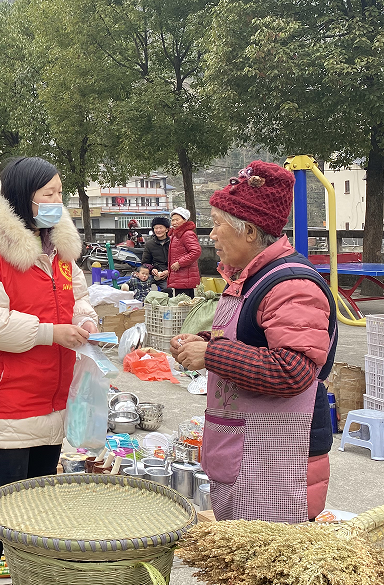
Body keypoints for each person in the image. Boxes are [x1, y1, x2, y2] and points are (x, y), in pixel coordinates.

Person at [0, 156, 98, 585]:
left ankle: (25, 584)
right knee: (3, 501)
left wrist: (85, 320)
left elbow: (78, 294)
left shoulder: (58, 250)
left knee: (38, 498)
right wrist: (52, 332)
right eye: (48, 195)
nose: (57, 203)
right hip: (9, 395)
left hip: (53, 392)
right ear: (23, 198)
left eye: (60, 194)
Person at [171, 161, 336, 523]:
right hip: (246, 455)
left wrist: (212, 353)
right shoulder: (249, 278)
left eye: (217, 224)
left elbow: (293, 371)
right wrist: (200, 343)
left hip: (279, 464)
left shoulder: (292, 286)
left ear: (248, 232)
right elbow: (250, 339)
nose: (211, 236)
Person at [166, 207, 201, 297]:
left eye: (177, 220)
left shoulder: (187, 234)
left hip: (185, 277)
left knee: (184, 305)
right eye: (172, 220)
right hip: (180, 277)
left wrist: (179, 263)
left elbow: (196, 251)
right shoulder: (176, 235)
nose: (174, 223)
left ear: (185, 220)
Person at [143, 215, 171, 289]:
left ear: (167, 229)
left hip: (171, 273)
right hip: (156, 274)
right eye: (156, 228)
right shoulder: (149, 244)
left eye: (161, 228)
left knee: (168, 290)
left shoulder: (173, 242)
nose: (158, 230)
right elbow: (145, 263)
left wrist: (168, 271)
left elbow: (178, 260)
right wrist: (152, 270)